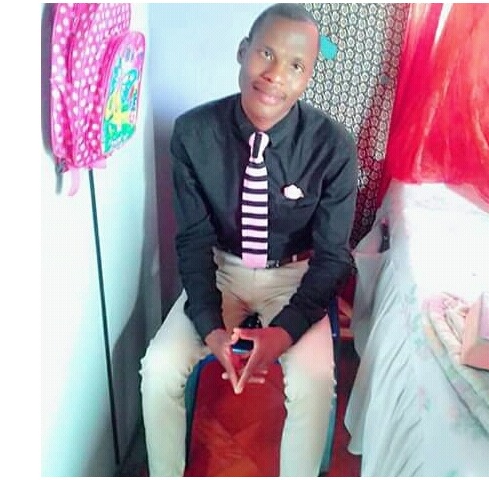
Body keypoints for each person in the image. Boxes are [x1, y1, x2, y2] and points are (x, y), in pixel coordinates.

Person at [140, 3, 358, 476]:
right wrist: (210, 327)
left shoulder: (334, 148)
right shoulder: (193, 133)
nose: (275, 75)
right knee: (158, 368)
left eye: (296, 65)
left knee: (315, 381)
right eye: (266, 53)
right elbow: (193, 239)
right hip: (221, 271)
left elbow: (332, 256)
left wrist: (283, 333)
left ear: (308, 77)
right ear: (243, 51)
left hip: (296, 276)